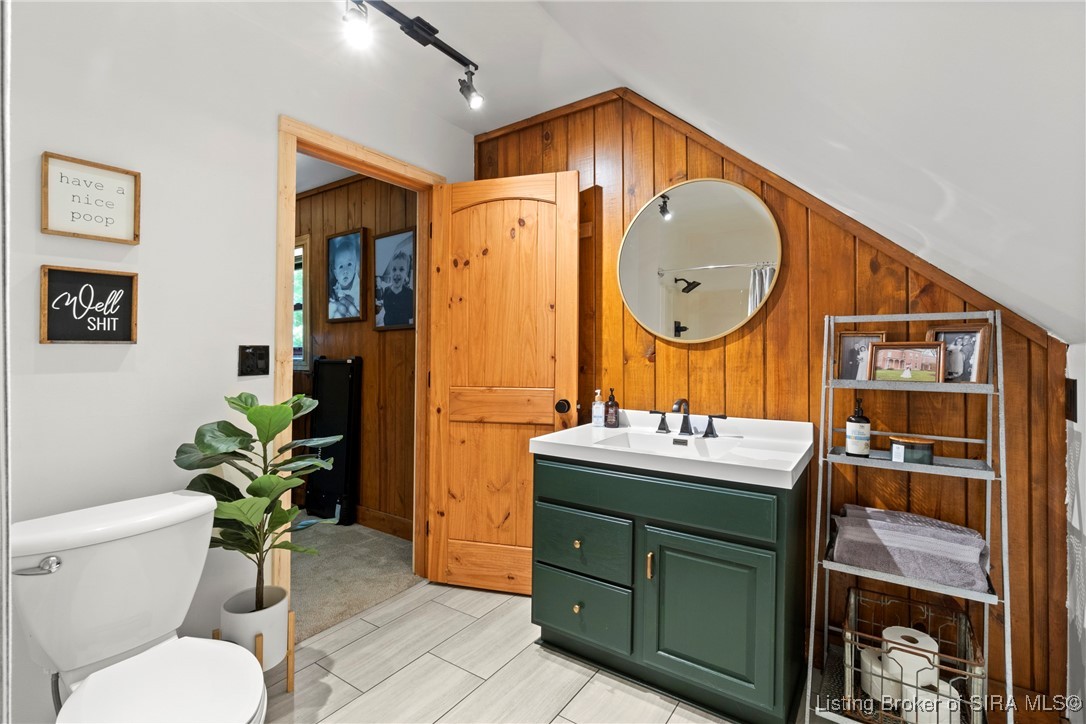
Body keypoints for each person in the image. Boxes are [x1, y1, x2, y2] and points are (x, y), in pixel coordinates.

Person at [376, 250, 413, 327]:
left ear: (406, 273)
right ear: (390, 272)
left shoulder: (410, 294)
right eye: (394, 269)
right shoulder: (386, 290)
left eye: (401, 269)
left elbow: (411, 317)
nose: (397, 273)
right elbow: (385, 309)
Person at [328, 238, 361, 320]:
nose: (345, 271)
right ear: (335, 274)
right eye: (341, 266)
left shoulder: (359, 286)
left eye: (349, 264)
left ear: (355, 268)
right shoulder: (335, 289)